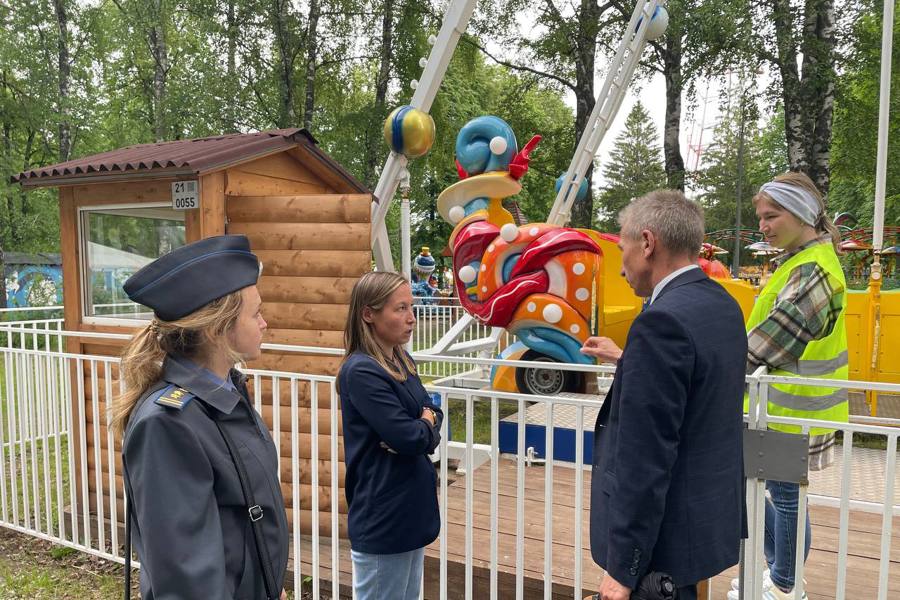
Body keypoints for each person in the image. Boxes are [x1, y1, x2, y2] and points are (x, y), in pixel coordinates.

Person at [580, 190, 747, 600]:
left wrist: (623, 568)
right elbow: (696, 389)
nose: (621, 268)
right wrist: (629, 360)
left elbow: (645, 458)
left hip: (659, 551)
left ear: (648, 243)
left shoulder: (661, 321)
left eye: (623, 249)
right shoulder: (722, 304)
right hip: (702, 526)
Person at [113, 235, 288, 600]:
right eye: (255, 313)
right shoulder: (168, 423)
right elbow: (185, 579)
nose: (265, 323)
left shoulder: (225, 394)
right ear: (216, 329)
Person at [728, 171, 848, 600]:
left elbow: (773, 338)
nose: (762, 225)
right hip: (783, 407)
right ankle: (781, 574)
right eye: (761, 217)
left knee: (783, 498)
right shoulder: (801, 263)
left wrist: (715, 372)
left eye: (771, 215)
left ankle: (783, 584)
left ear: (801, 213)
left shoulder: (812, 270)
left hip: (792, 409)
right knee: (775, 494)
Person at [337, 271, 443, 600]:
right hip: (383, 514)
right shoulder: (361, 370)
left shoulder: (399, 358)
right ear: (369, 314)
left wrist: (423, 423)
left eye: (411, 307)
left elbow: (431, 412)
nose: (411, 318)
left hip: (408, 510)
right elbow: (409, 437)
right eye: (400, 309)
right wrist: (421, 426)